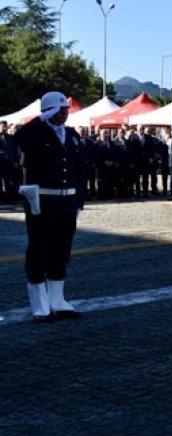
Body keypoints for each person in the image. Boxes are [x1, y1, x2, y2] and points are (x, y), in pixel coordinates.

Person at [14, 92, 85, 322]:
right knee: (39, 249)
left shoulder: (72, 135)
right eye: (60, 109)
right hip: (43, 202)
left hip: (67, 201)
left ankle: (57, 300)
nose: (65, 113)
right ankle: (40, 304)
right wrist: (42, 118)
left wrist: (79, 200)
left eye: (66, 109)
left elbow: (80, 169)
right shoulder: (35, 133)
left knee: (62, 251)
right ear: (50, 111)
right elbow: (20, 138)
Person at [0, 120, 16, 203]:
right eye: (3, 126)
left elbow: (13, 149)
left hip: (8, 162)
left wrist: (14, 160)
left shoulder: (10, 137)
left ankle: (8, 198)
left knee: (8, 180)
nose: (5, 128)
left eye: (6, 126)